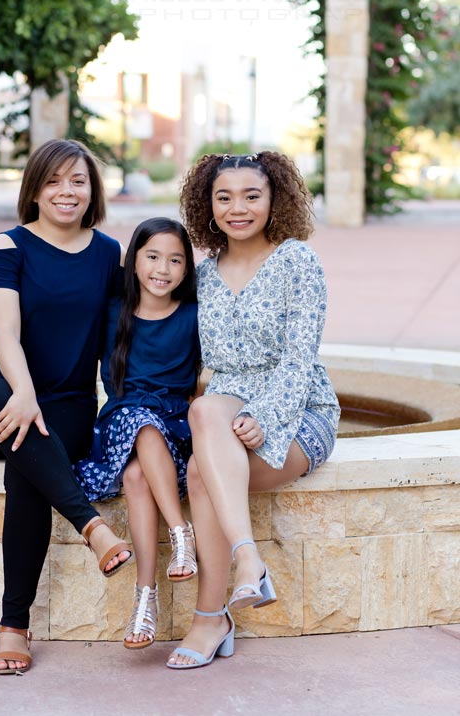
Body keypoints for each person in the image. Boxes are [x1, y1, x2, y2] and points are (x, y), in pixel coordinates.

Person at [0, 139, 133, 676]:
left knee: (29, 462)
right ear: (34, 189)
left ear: (92, 190)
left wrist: (126, 413)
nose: (66, 191)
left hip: (68, 408)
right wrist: (24, 392)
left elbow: (111, 344)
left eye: (78, 180)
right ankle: (93, 528)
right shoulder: (7, 247)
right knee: (10, 414)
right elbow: (3, 330)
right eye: (54, 180)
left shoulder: (107, 254)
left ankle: (14, 628)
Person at [165, 152, 340, 669]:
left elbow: (300, 355)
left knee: (200, 472)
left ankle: (210, 617)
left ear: (274, 200)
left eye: (251, 196)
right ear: (208, 205)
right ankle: (247, 560)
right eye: (224, 197)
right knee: (203, 416)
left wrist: (265, 415)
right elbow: (190, 358)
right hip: (225, 409)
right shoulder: (203, 274)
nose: (236, 208)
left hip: (299, 407)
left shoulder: (297, 261)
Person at [75, 217, 200, 650]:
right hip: (121, 428)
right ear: (133, 262)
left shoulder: (192, 317)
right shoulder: (114, 313)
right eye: (152, 257)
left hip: (174, 435)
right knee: (137, 424)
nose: (162, 269)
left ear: (187, 270)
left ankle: (145, 598)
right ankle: (180, 533)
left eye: (175, 260)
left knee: (135, 476)